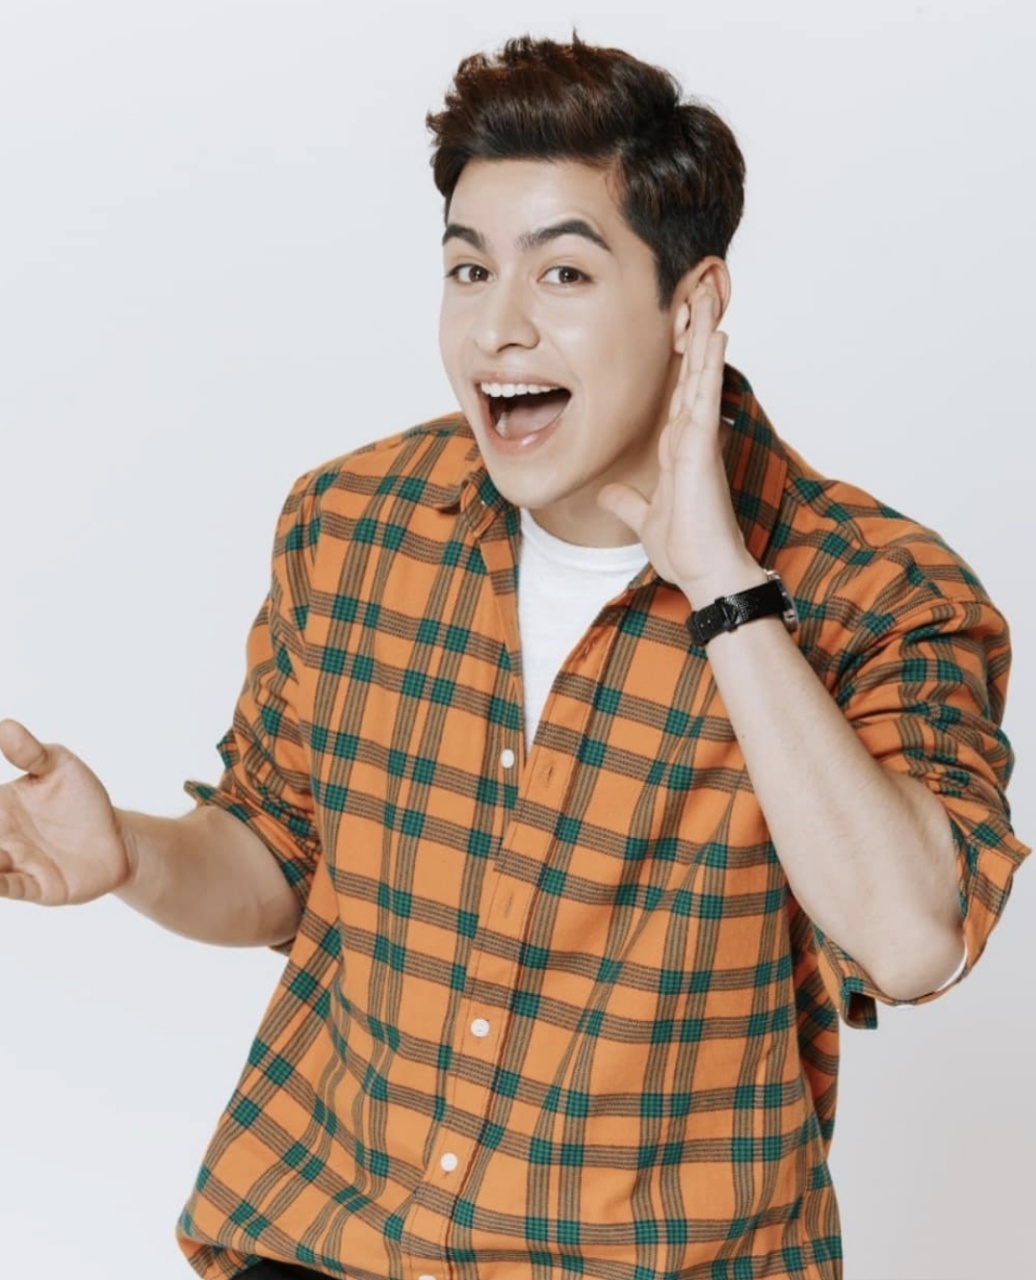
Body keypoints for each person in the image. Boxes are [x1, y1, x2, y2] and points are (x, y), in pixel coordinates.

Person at [0, 33, 1028, 1280]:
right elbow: (276, 860)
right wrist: (127, 853)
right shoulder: (354, 521)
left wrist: (723, 587)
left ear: (692, 305)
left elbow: (912, 940)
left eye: (564, 274)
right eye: (468, 269)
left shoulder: (877, 588)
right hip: (325, 1240)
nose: (499, 328)